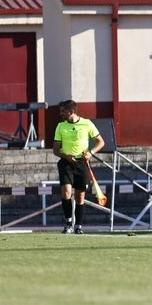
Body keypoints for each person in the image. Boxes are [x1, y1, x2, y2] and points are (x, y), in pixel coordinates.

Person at [52, 100, 105, 234]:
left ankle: (78, 226)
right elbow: (56, 150)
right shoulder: (60, 126)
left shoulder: (87, 123)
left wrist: (91, 153)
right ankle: (69, 223)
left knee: (80, 197)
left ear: (71, 112)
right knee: (66, 192)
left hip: (82, 164)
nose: (60, 113)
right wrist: (66, 156)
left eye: (63, 111)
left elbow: (101, 142)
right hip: (66, 162)